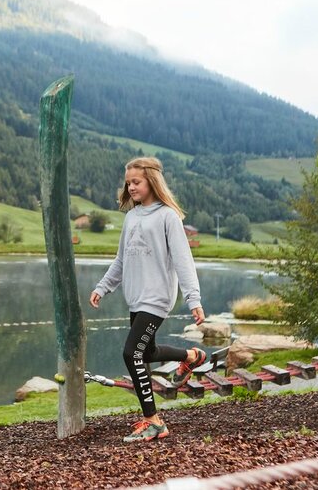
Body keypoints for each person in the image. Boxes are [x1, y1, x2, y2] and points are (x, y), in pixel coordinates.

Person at [89, 156, 206, 442]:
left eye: (136, 182)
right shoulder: (131, 217)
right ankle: (191, 357)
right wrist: (103, 287)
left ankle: (153, 421)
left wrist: (194, 299)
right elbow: (121, 259)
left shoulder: (167, 216)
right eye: (128, 182)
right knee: (148, 352)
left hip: (157, 298)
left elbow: (183, 261)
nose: (130, 187)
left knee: (132, 353)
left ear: (151, 181)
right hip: (136, 297)